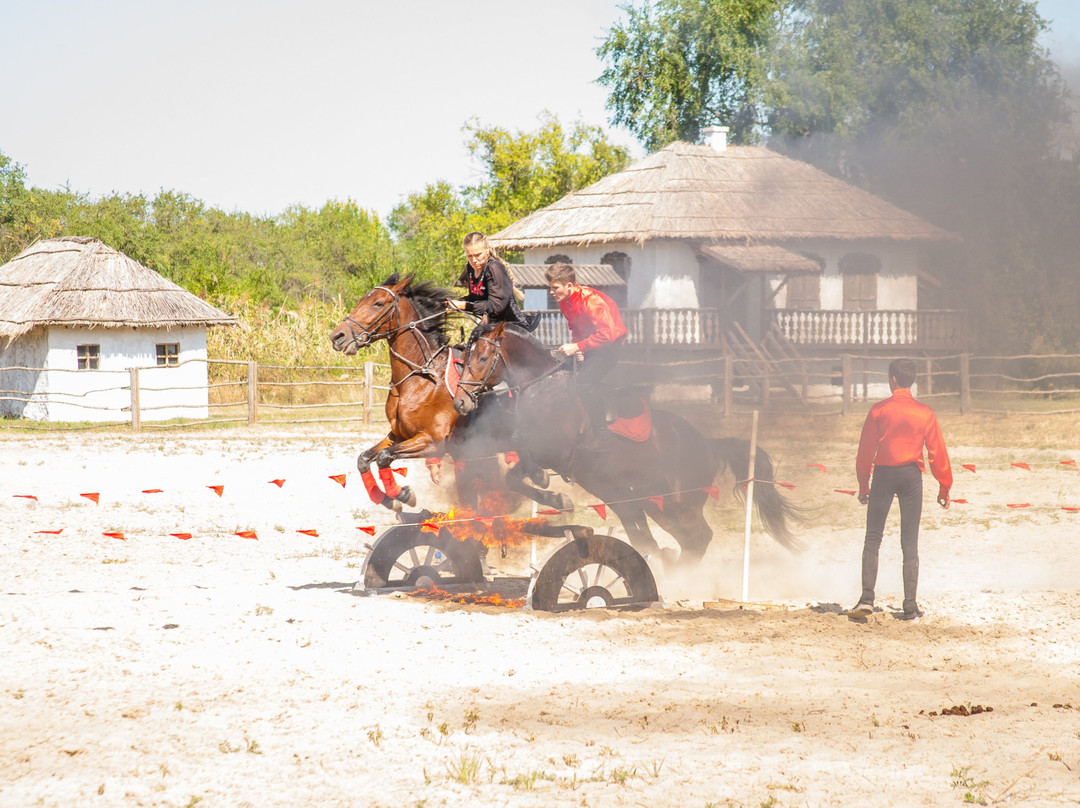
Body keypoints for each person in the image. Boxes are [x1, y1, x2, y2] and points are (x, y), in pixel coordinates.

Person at [849, 358, 952, 621]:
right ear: (911, 380)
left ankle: (867, 598)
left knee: (873, 537)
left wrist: (863, 484)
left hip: (883, 475)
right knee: (909, 541)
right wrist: (944, 486)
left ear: (892, 379)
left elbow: (865, 452)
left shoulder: (878, 410)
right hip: (911, 477)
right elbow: (937, 452)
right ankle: (910, 605)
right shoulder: (925, 412)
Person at [545, 262, 627, 451]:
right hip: (590, 347)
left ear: (569, 285)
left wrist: (577, 347)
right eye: (551, 288)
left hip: (609, 348)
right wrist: (579, 350)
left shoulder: (591, 301)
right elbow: (576, 329)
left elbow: (607, 336)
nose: (552, 292)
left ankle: (602, 436)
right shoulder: (565, 302)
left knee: (583, 384)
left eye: (555, 288)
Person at [447, 231, 535, 330]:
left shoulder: (494, 268)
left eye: (478, 255)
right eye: (469, 256)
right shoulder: (470, 268)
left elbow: (496, 306)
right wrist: (454, 303)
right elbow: (475, 297)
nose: (474, 260)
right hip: (491, 326)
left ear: (487, 250)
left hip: (512, 326)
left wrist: (465, 306)